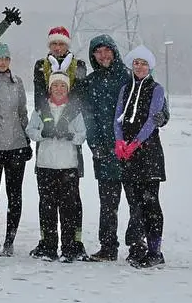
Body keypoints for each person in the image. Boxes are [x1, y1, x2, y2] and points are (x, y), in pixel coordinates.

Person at [26, 72, 88, 262]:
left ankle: (69, 247)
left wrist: (70, 135)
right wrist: (43, 133)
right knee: (47, 207)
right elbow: (30, 131)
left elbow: (82, 134)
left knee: (69, 208)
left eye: (62, 86)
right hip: (46, 164)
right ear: (50, 89)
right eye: (55, 86)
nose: (59, 89)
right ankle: (48, 246)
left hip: (68, 165)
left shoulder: (74, 111)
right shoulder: (41, 110)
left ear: (67, 89)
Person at [116, 46, 167, 269]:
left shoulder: (156, 89)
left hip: (149, 152)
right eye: (136, 62)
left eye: (144, 63)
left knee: (150, 203)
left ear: (150, 67)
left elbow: (153, 119)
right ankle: (138, 246)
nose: (139, 67)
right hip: (128, 154)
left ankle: (155, 250)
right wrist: (119, 141)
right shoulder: (125, 88)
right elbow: (118, 117)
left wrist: (137, 142)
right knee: (134, 203)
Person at [0, 42, 30, 257]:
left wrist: (27, 139)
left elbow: (22, 112)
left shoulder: (17, 82)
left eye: (6, 59)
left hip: (16, 146)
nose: (3, 62)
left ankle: (9, 240)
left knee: (14, 195)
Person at [83, 34, 130, 261]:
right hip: (104, 153)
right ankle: (108, 246)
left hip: (130, 152)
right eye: (98, 52)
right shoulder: (91, 82)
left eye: (106, 50)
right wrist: (95, 146)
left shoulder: (128, 78)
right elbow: (88, 117)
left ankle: (137, 246)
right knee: (108, 203)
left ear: (114, 51)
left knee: (136, 202)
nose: (103, 55)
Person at [33, 26, 89, 115]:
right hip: (48, 113)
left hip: (71, 115)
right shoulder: (41, 65)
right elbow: (40, 94)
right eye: (54, 43)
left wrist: (67, 117)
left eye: (61, 44)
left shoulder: (78, 65)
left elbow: (78, 94)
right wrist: (46, 116)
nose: (57, 47)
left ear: (67, 45)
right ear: (49, 46)